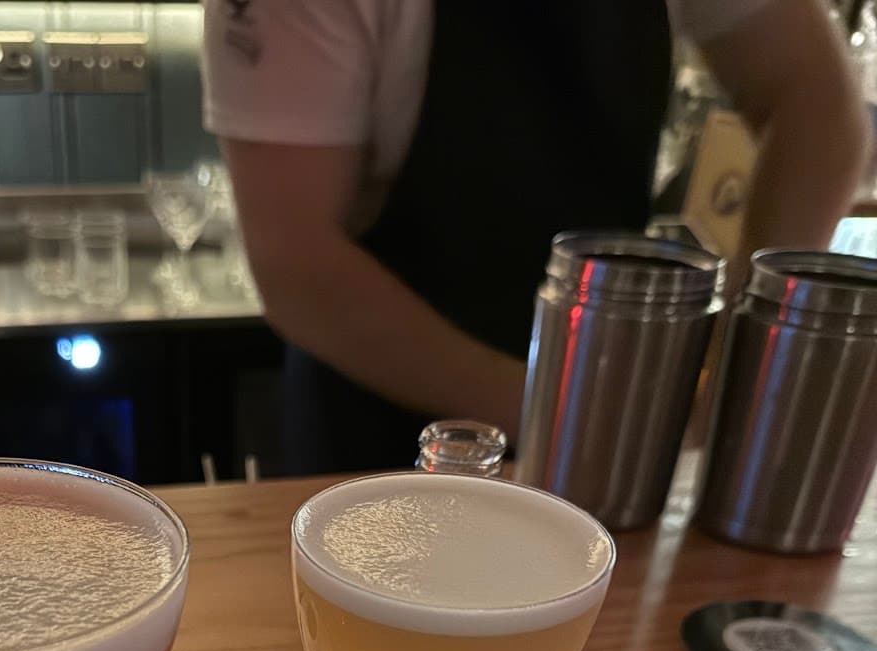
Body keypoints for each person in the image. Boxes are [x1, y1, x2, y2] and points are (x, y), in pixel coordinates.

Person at [202, 0, 872, 474]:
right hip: (381, 427)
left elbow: (818, 107)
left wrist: (739, 359)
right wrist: (568, 417)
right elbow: (296, 264)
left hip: (609, 414)